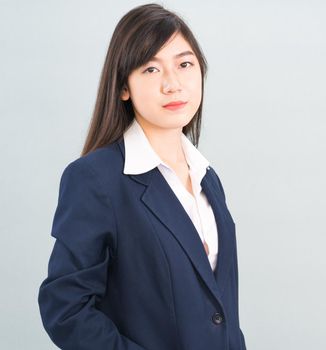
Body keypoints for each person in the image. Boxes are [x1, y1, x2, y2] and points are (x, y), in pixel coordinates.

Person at [37, 4, 246, 350]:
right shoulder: (96, 180)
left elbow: (220, 313)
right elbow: (65, 308)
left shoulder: (208, 177)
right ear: (123, 87)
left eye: (184, 64)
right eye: (150, 68)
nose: (173, 83)